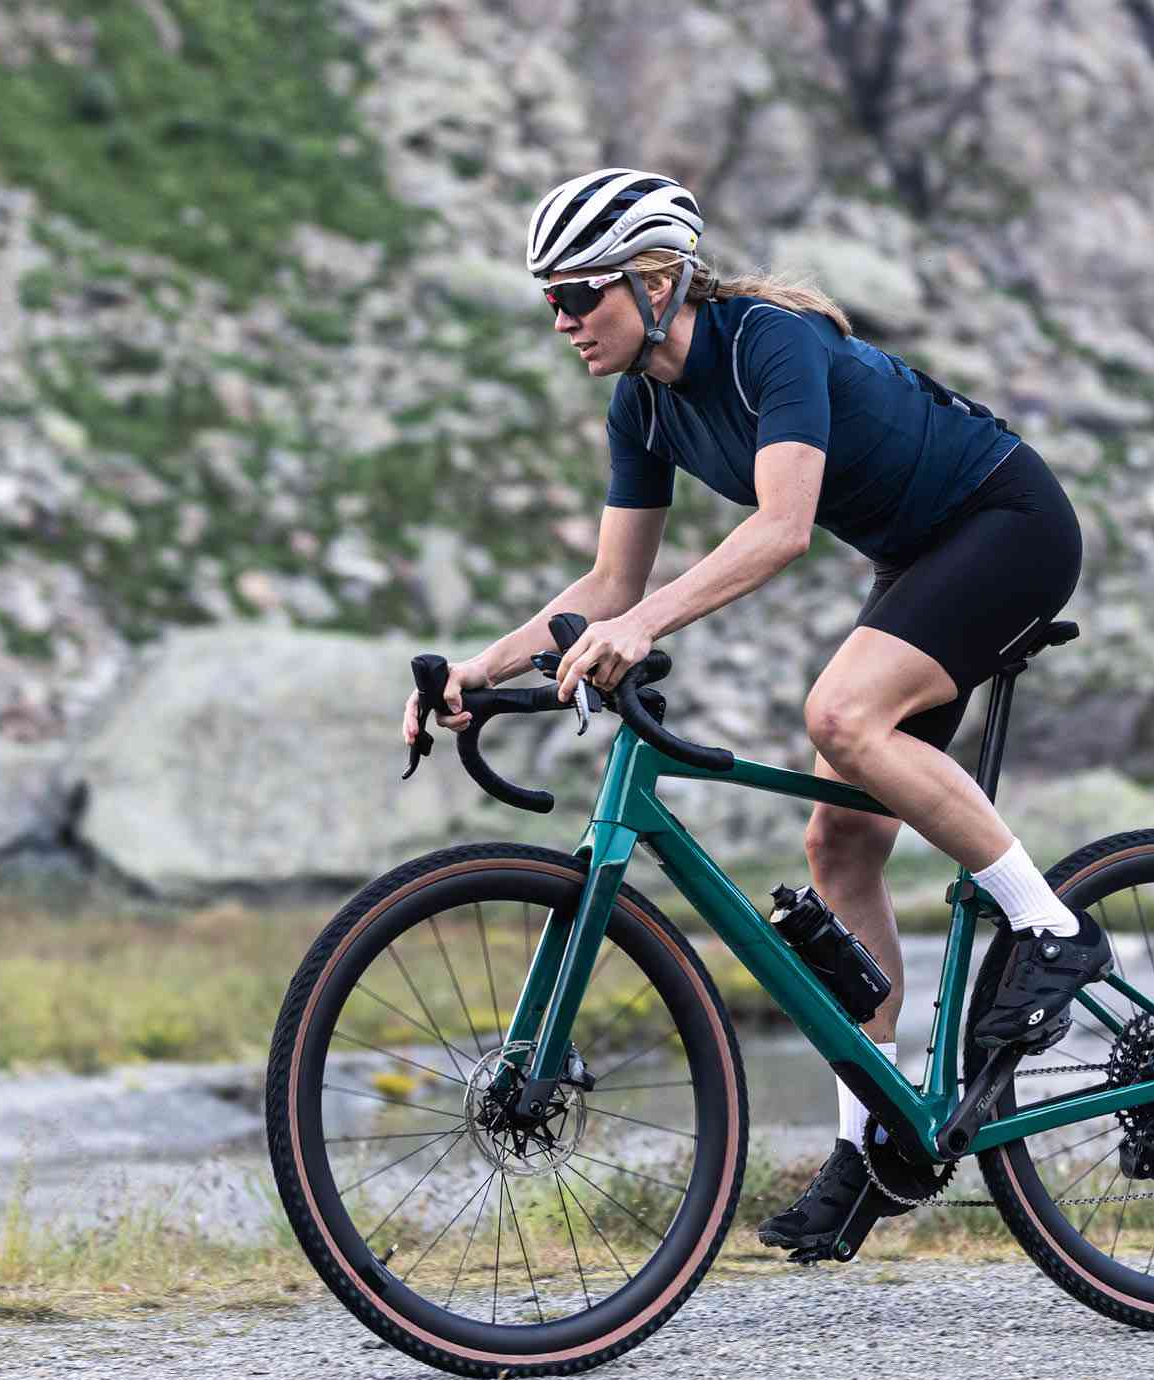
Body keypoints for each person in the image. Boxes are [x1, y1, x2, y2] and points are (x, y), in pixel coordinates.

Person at [397, 167, 1110, 1259]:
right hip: (919, 560)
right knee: (839, 844)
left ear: (655, 281)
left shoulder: (767, 342)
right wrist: (477, 672)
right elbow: (610, 584)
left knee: (843, 716)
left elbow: (781, 528)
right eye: (549, 299)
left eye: (578, 294)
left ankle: (1053, 928)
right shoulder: (641, 405)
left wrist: (642, 628)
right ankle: (873, 1151)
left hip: (1008, 522)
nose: (563, 319)